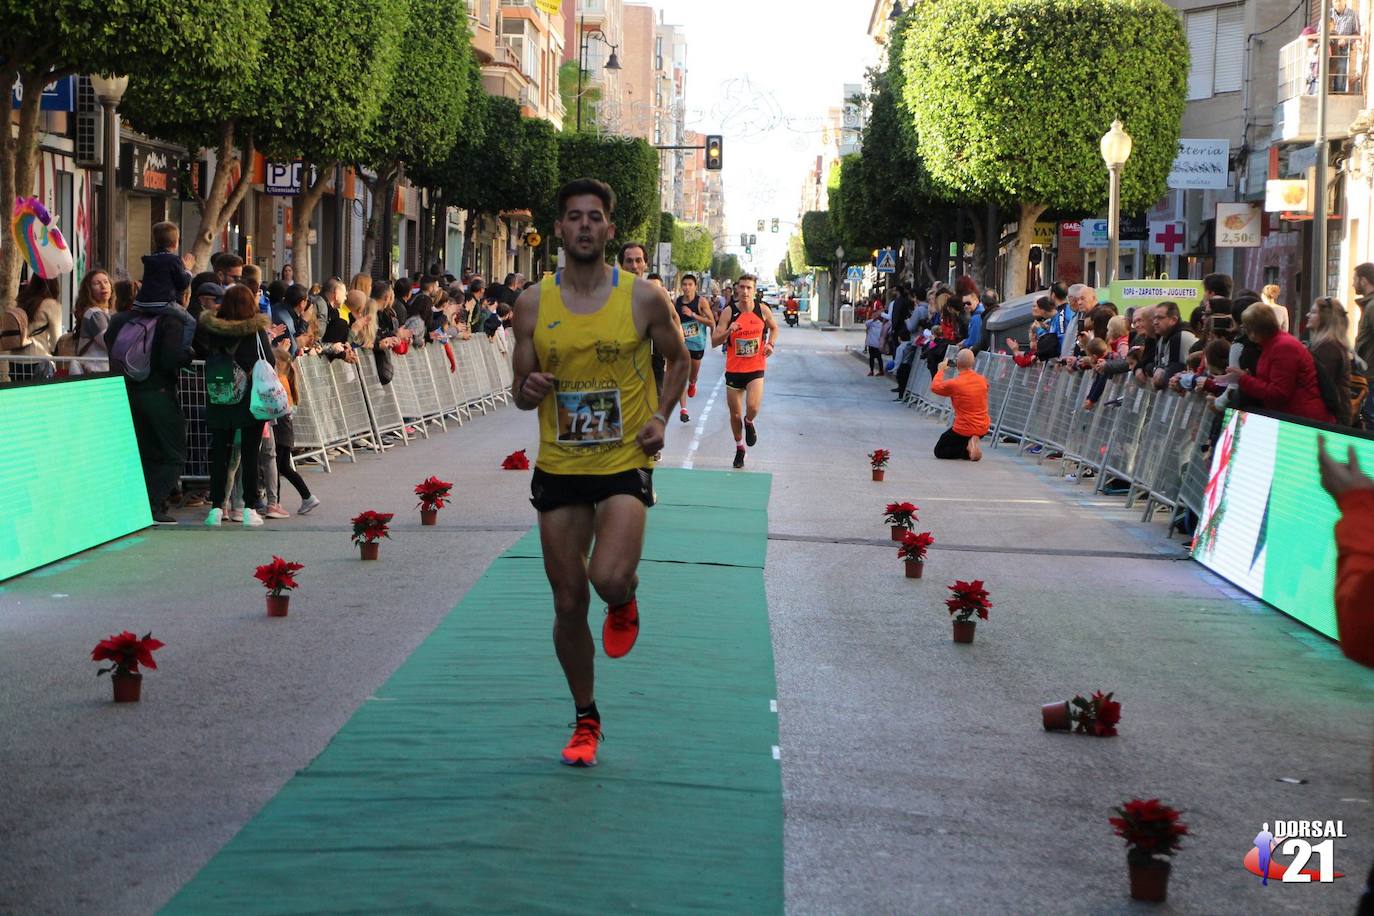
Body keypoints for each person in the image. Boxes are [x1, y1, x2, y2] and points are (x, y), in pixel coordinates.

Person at [509, 177, 689, 767]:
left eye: (595, 217)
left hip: (622, 460)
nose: (584, 225)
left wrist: (661, 416)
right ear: (558, 229)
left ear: (610, 229)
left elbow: (678, 359)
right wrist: (529, 388)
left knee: (607, 577)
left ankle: (623, 599)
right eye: (573, 217)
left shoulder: (642, 298)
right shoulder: (533, 303)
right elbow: (520, 390)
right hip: (560, 465)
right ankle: (586, 717)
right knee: (566, 603)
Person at [104, 282, 196, 523]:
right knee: (173, 453)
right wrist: (187, 355)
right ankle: (153, 504)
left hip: (127, 390)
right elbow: (170, 359)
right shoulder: (171, 321)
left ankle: (138, 504)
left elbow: (109, 345)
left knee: (142, 451)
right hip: (159, 392)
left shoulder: (120, 320)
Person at [196, 285, 276, 527]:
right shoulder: (255, 331)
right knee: (250, 453)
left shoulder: (212, 330)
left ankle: (216, 508)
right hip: (249, 399)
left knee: (220, 453)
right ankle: (250, 508)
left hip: (219, 396)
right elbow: (269, 360)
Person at [1217, 303, 1333, 423]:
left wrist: (1243, 379)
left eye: (1246, 328)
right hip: (1293, 415)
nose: (1244, 332)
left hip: (1301, 419)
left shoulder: (1283, 347)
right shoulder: (1273, 343)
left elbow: (1279, 393)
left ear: (1255, 330)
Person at [711, 274, 778, 469]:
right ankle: (740, 447)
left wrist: (771, 344)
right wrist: (728, 331)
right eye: (742, 287)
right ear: (737, 289)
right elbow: (715, 341)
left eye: (749, 287)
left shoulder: (762, 310)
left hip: (756, 367)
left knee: (753, 407)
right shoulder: (728, 312)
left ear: (754, 290)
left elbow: (774, 328)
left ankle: (749, 422)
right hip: (734, 370)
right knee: (734, 415)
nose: (745, 291)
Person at [929, 348, 990, 461]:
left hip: (964, 427)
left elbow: (935, 387)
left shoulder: (955, 383)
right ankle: (971, 444)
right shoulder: (982, 380)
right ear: (973, 363)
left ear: (957, 362)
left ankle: (967, 449)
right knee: (958, 441)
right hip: (983, 426)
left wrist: (941, 370)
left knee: (940, 451)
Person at [1307, 297, 1355, 425]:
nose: (1308, 315)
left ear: (1325, 319)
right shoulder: (1331, 345)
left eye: (1313, 312)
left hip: (1332, 420)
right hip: (1336, 416)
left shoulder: (1328, 348)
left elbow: (1323, 387)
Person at [674, 273, 715, 420]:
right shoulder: (677, 301)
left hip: (697, 344)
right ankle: (683, 410)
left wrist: (693, 315)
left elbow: (711, 322)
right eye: (684, 284)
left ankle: (693, 382)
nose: (686, 287)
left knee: (692, 376)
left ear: (695, 286)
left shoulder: (701, 302)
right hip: (681, 344)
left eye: (690, 285)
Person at [1355, 262, 1374, 427]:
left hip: (1371, 376)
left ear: (1363, 280)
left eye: (1355, 279)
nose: (1353, 283)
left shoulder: (1373, 306)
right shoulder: (1369, 305)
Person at [865, 306, 886, 376]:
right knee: (871, 357)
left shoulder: (881, 324)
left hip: (877, 343)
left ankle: (881, 370)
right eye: (873, 315)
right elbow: (866, 323)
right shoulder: (870, 323)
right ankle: (871, 370)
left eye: (875, 315)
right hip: (871, 343)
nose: (874, 316)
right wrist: (873, 319)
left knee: (879, 357)